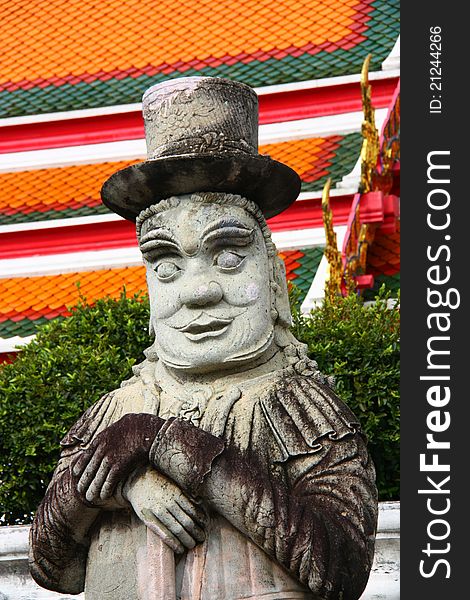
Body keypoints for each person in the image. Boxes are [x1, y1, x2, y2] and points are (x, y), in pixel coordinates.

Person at [29, 78, 377, 600]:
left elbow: (338, 572)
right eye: (166, 266)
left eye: (229, 258)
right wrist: (122, 482)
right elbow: (52, 567)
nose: (197, 293)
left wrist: (167, 444)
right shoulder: (116, 409)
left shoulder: (305, 409)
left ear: (275, 279)